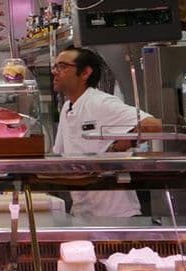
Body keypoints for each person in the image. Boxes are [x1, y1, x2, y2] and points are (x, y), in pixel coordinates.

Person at [52, 46, 162, 218]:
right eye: (55, 67)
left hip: (117, 214)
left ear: (85, 73)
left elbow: (153, 125)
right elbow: (58, 156)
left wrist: (122, 145)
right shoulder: (67, 107)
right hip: (82, 212)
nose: (55, 72)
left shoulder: (101, 103)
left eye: (63, 67)